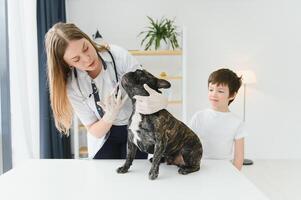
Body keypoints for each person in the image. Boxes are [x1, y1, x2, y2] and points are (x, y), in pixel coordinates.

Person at [45, 22, 168, 159]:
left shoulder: (118, 56)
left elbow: (147, 87)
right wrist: (109, 116)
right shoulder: (73, 86)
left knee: (136, 174)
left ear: (88, 39)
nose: (87, 59)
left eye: (86, 48)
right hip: (105, 135)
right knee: (104, 175)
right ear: (67, 63)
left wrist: (159, 100)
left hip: (136, 129)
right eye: (76, 59)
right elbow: (94, 130)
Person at [189, 68, 247, 170]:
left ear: (232, 95)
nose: (213, 94)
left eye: (220, 91)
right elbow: (186, 143)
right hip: (200, 166)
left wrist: (234, 176)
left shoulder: (237, 122)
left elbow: (239, 157)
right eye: (211, 89)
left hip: (224, 167)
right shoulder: (199, 117)